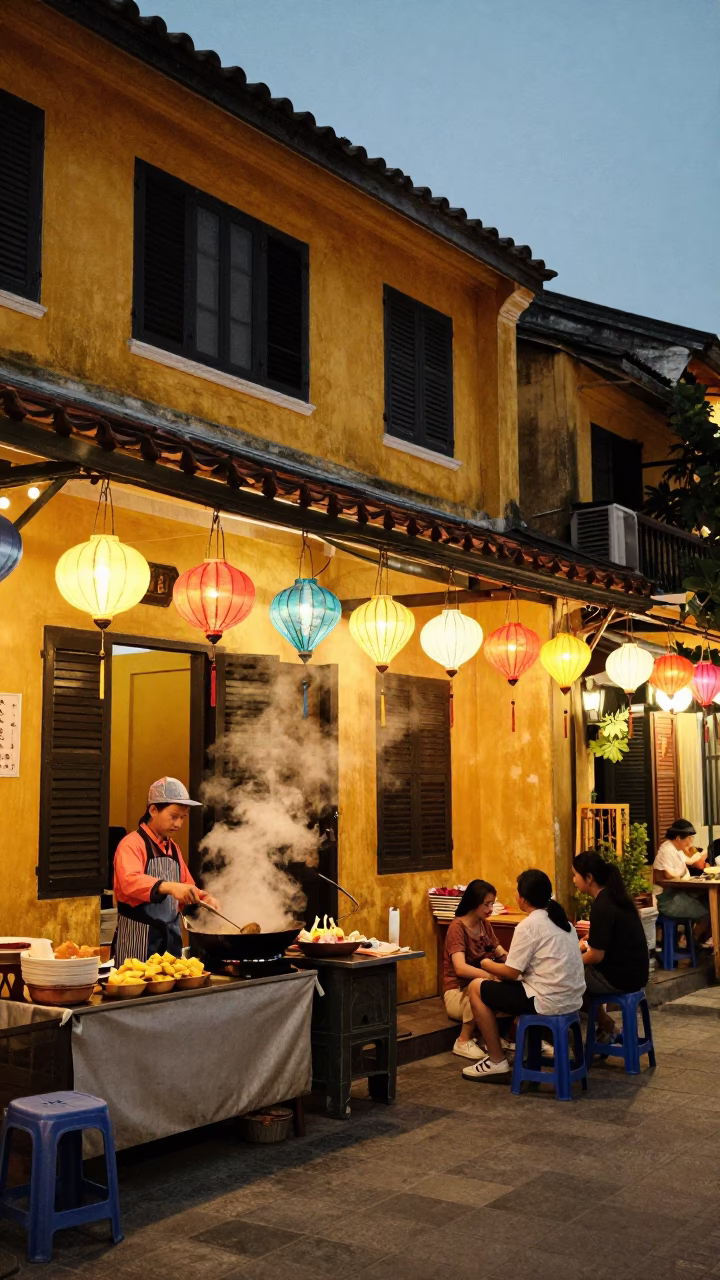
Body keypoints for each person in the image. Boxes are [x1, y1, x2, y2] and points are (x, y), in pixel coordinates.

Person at [461, 868, 586, 1081]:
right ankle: (520, 1051)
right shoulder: (562, 921)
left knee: (476, 988)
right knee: (503, 989)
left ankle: (496, 1060)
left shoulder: (529, 925)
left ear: (523, 898)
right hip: (573, 999)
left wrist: (486, 964)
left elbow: (511, 971)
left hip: (546, 1000)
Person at [113, 777, 220, 965]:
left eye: (183, 817)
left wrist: (204, 898)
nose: (178, 823)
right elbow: (129, 882)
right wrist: (168, 887)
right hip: (139, 941)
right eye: (173, 816)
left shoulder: (173, 848)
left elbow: (187, 886)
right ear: (153, 810)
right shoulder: (131, 844)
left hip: (171, 940)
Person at [572, 849, 649, 1039]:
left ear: (588, 877)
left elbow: (596, 956)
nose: (574, 880)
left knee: (566, 979)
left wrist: (572, 960)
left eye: (575, 875)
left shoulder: (602, 905)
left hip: (620, 977)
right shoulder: (616, 897)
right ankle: (607, 1029)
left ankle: (605, 1029)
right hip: (637, 973)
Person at [442, 879, 508, 1060]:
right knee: (479, 986)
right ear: (474, 902)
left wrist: (512, 967)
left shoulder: (484, 924)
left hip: (479, 984)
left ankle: (486, 1038)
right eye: (486, 904)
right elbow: (461, 969)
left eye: (492, 904)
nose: (490, 909)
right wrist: (490, 975)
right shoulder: (457, 928)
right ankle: (463, 1040)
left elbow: (500, 951)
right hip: (457, 993)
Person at [653, 818, 711, 946]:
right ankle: (691, 943)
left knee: (709, 902)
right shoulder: (667, 850)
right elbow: (669, 875)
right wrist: (683, 874)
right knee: (709, 911)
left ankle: (693, 941)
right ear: (679, 838)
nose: (690, 842)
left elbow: (689, 861)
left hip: (676, 893)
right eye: (689, 838)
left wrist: (705, 852)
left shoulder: (675, 849)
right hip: (667, 899)